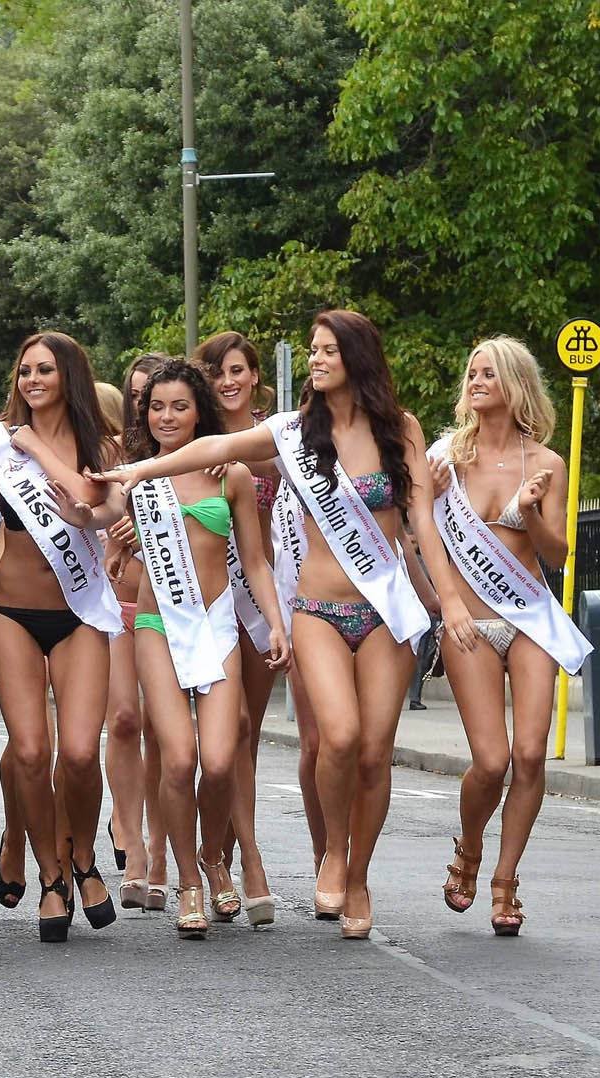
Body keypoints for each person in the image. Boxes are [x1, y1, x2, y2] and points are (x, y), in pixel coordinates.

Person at [98, 310, 465, 940]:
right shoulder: (295, 431)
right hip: (317, 609)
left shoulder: (399, 428)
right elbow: (217, 447)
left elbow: (423, 524)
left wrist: (450, 602)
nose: (315, 360)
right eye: (313, 351)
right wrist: (141, 471)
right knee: (338, 738)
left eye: (327, 350)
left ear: (357, 358)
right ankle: (332, 852)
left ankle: (356, 877)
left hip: (386, 610)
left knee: (374, 754)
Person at [110, 358, 289, 937]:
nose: (167, 417)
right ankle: (188, 880)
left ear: (199, 412)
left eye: (180, 407)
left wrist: (276, 623)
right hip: (158, 627)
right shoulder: (136, 478)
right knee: (180, 758)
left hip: (215, 626)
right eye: (156, 407)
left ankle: (215, 856)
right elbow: (95, 522)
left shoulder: (229, 474)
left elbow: (255, 562)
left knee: (218, 761)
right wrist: (113, 536)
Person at [0, 333, 129, 941]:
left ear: (69, 377)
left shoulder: (100, 446)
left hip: (79, 613)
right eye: (24, 370)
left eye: (44, 370)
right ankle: (52, 876)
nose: (31, 380)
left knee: (81, 753)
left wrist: (35, 444)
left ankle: (83, 855)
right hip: (10, 612)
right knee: (32, 752)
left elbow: (100, 505)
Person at [429, 337, 589, 935]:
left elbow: (558, 555)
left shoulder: (546, 463)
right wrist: (448, 603)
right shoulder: (448, 457)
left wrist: (532, 510)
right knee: (491, 760)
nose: (475, 382)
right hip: (468, 621)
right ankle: (470, 846)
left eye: (488, 374)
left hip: (529, 621)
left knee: (529, 754)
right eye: (472, 373)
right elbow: (425, 537)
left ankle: (504, 879)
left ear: (515, 384)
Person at [194, 330, 280, 920]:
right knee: (232, 727)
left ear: (254, 377)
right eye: (216, 372)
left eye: (237, 370)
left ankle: (218, 852)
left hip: (260, 594)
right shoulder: (195, 441)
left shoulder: (277, 442)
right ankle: (247, 858)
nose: (227, 381)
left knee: (246, 734)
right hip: (205, 599)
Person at [104, 354, 168, 911]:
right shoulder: (112, 454)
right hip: (115, 601)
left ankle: (160, 845)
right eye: (139, 394)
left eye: (157, 394)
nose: (147, 404)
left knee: (162, 729)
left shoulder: (191, 456)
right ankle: (131, 839)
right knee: (124, 719)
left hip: (166, 606)